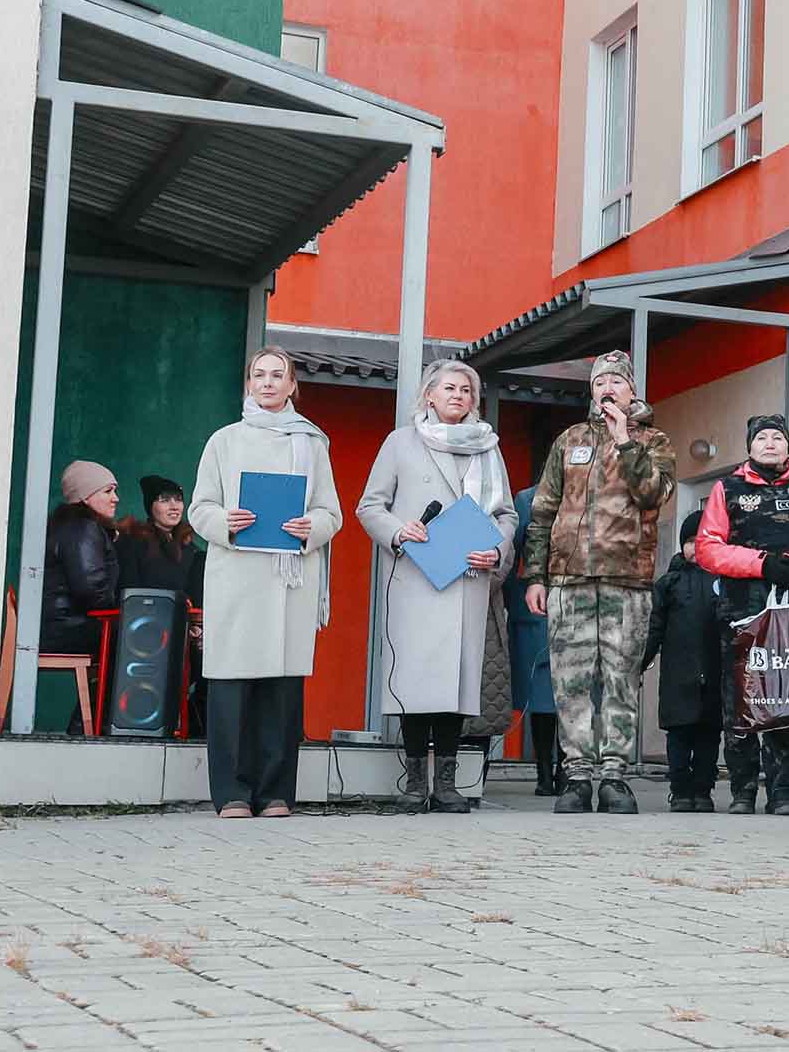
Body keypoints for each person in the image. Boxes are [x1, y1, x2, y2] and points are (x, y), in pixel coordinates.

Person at [356, 360, 517, 814]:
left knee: (456, 685)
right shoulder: (401, 443)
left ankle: (446, 784)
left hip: (467, 579)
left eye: (467, 390)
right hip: (417, 576)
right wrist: (398, 530)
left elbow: (506, 514)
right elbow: (369, 506)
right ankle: (413, 783)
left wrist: (498, 550)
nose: (459, 396)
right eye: (450, 387)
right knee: (416, 682)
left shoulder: (488, 447)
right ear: (429, 394)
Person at [188, 346, 342, 818]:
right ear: (249, 384)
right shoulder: (225, 441)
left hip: (289, 580)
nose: (269, 382)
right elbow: (200, 508)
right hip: (238, 576)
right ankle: (231, 793)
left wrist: (309, 528)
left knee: (280, 689)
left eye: (279, 375)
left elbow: (329, 511)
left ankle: (276, 792)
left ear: (293, 385)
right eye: (260, 375)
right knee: (232, 687)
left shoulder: (312, 444)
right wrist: (228, 522)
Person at [523, 350, 677, 814]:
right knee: (570, 683)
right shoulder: (568, 441)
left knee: (620, 680)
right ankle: (575, 776)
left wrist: (624, 439)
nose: (607, 388)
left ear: (632, 390)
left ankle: (614, 776)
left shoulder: (654, 441)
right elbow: (544, 510)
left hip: (627, 580)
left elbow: (654, 494)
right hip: (568, 580)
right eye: (599, 383)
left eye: (616, 382)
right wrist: (536, 575)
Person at [695, 413, 789, 815]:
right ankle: (743, 790)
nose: (769, 443)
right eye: (761, 437)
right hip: (743, 615)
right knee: (740, 704)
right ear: (749, 446)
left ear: (788, 445)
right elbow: (709, 548)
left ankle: (787, 791)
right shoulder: (727, 490)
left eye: (776, 437)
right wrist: (761, 563)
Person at [642, 511, 723, 812]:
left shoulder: (724, 582)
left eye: (702, 541)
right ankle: (679, 791)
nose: (695, 548)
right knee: (678, 738)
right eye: (690, 541)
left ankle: (703, 791)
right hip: (678, 676)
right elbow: (655, 627)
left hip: (714, 676)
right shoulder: (668, 583)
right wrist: (641, 661)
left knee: (708, 738)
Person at [116, 474, 208, 733]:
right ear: (150, 506)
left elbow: (195, 598)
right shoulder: (133, 543)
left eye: (178, 499)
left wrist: (197, 625)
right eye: (164, 500)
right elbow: (128, 593)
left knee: (213, 659)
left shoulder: (192, 550)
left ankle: (195, 722)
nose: (174, 506)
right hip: (142, 635)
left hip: (185, 633)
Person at [504, 486, 559, 794]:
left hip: (578, 595)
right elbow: (512, 553)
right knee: (542, 694)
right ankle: (544, 772)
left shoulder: (593, 489)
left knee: (576, 691)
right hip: (537, 601)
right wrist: (512, 595)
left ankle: (568, 767)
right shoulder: (528, 499)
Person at [43, 461, 121, 663]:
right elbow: (92, 592)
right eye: (108, 491)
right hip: (68, 628)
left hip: (59, 626)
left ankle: (104, 694)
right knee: (145, 634)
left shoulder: (73, 525)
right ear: (85, 497)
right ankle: (117, 696)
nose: (116, 498)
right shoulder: (82, 527)